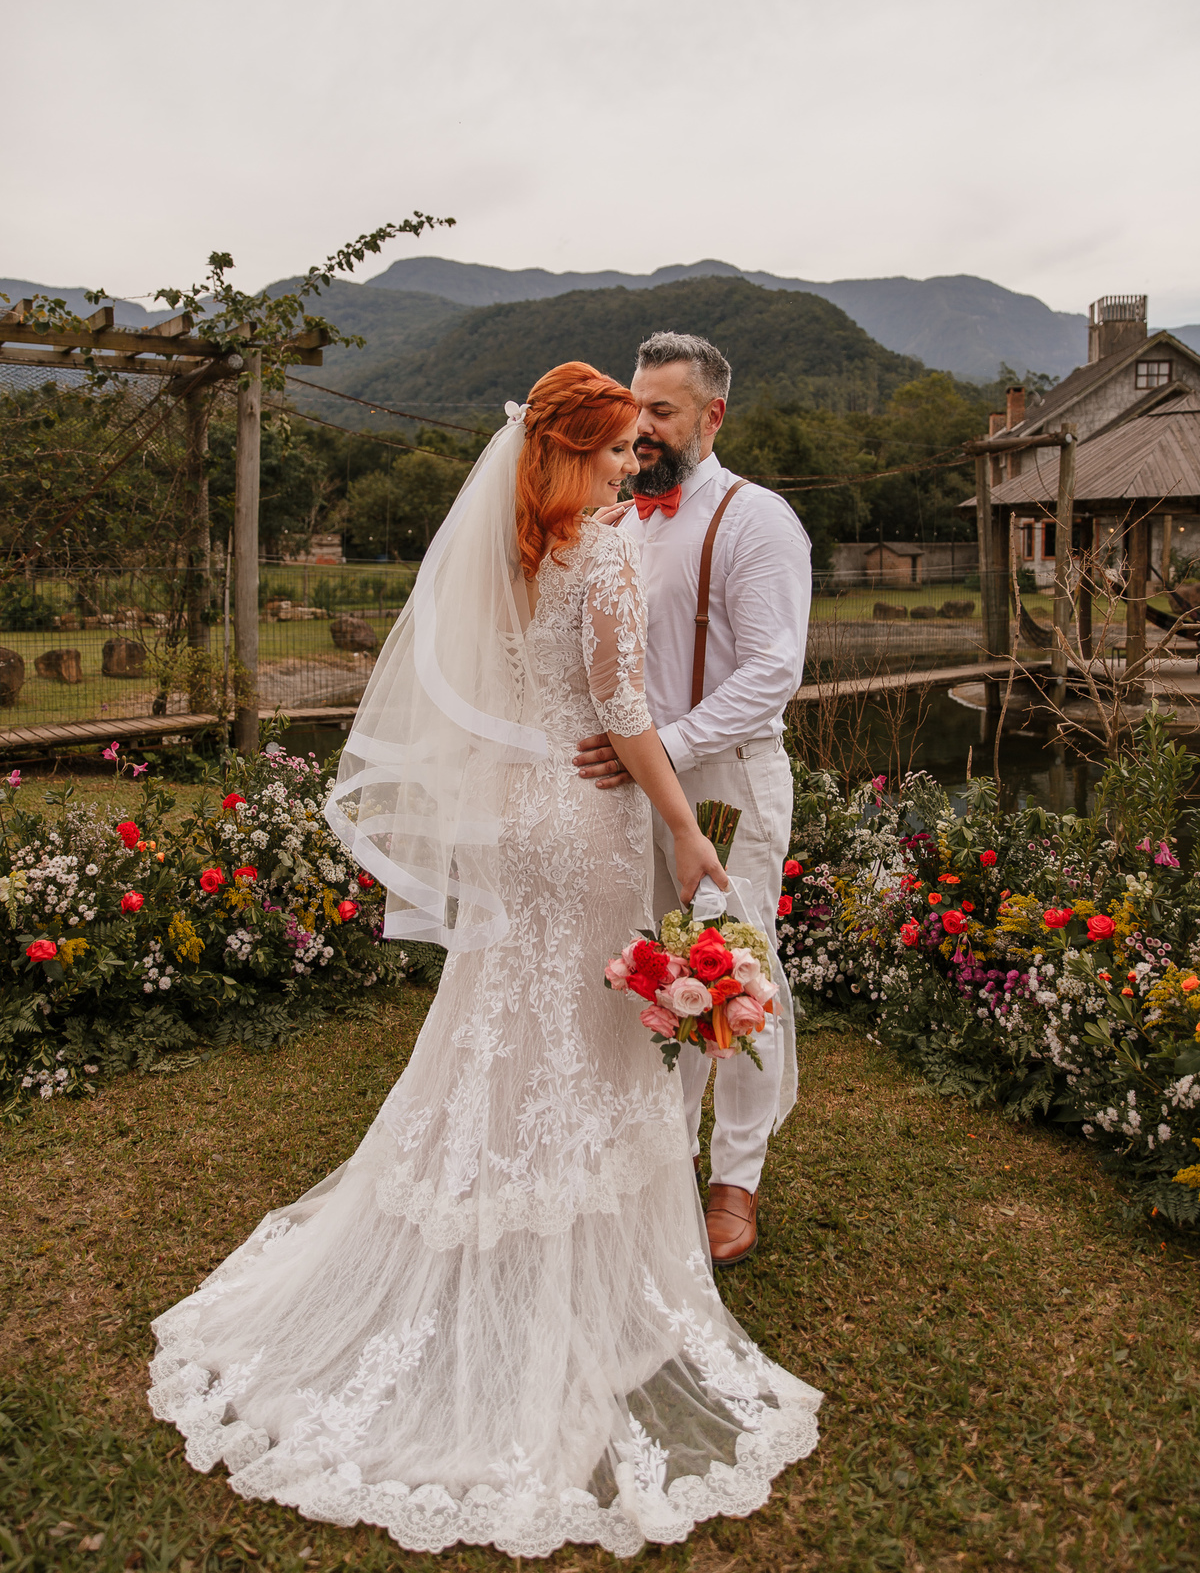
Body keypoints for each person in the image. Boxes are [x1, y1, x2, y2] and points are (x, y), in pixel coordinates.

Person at [148, 363, 821, 1559]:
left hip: (511, 820)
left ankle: (495, 1224)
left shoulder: (512, 546)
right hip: (587, 826)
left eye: (640, 444)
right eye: (617, 448)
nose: (631, 464)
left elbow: (487, 685)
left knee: (503, 1025)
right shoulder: (605, 554)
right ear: (579, 453)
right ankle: (591, 1284)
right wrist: (677, 823)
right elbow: (620, 714)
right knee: (600, 1037)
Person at [575, 332, 811, 1266]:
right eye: (636, 407)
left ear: (712, 416)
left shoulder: (759, 522)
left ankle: (735, 1181)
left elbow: (772, 672)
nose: (641, 428)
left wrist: (660, 751)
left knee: (737, 979)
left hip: (724, 786)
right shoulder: (617, 518)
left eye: (662, 410)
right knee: (660, 978)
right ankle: (662, 1162)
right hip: (640, 789)